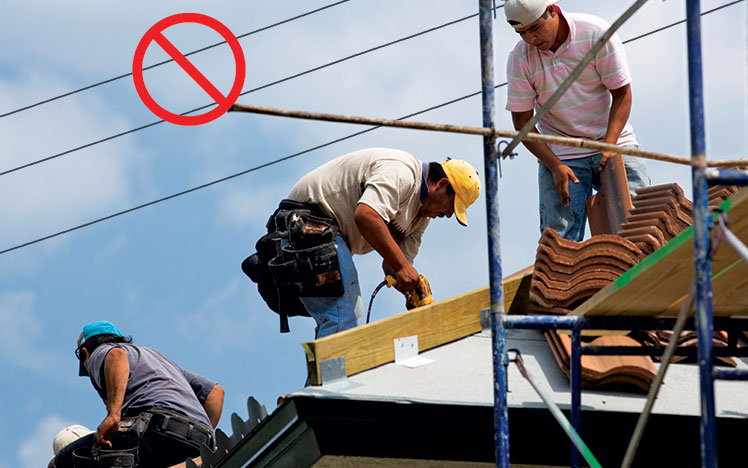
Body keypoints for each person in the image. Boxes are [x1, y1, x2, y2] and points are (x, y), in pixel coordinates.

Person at [254, 147, 480, 339]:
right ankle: (327, 390)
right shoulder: (402, 172)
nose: (450, 214)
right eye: (453, 205)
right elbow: (366, 215)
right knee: (344, 316)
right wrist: (403, 268)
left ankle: (320, 386)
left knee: (343, 318)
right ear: (441, 184)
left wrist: (412, 292)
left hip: (323, 235)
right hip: (307, 222)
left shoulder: (421, 216)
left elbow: (394, 265)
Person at [503, 0, 650, 242]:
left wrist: (610, 145)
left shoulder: (596, 33)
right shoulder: (520, 59)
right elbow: (523, 125)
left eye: (535, 28)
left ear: (553, 11)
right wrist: (555, 166)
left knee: (639, 222)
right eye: (522, 33)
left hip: (614, 140)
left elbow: (622, 93)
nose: (531, 39)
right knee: (559, 240)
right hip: (562, 152)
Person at [54, 321, 225, 468]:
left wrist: (113, 414)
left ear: (84, 352)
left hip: (155, 431)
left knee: (61, 461)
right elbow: (215, 392)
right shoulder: (160, 360)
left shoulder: (100, 352)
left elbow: (116, 355)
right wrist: (195, 434)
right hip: (200, 441)